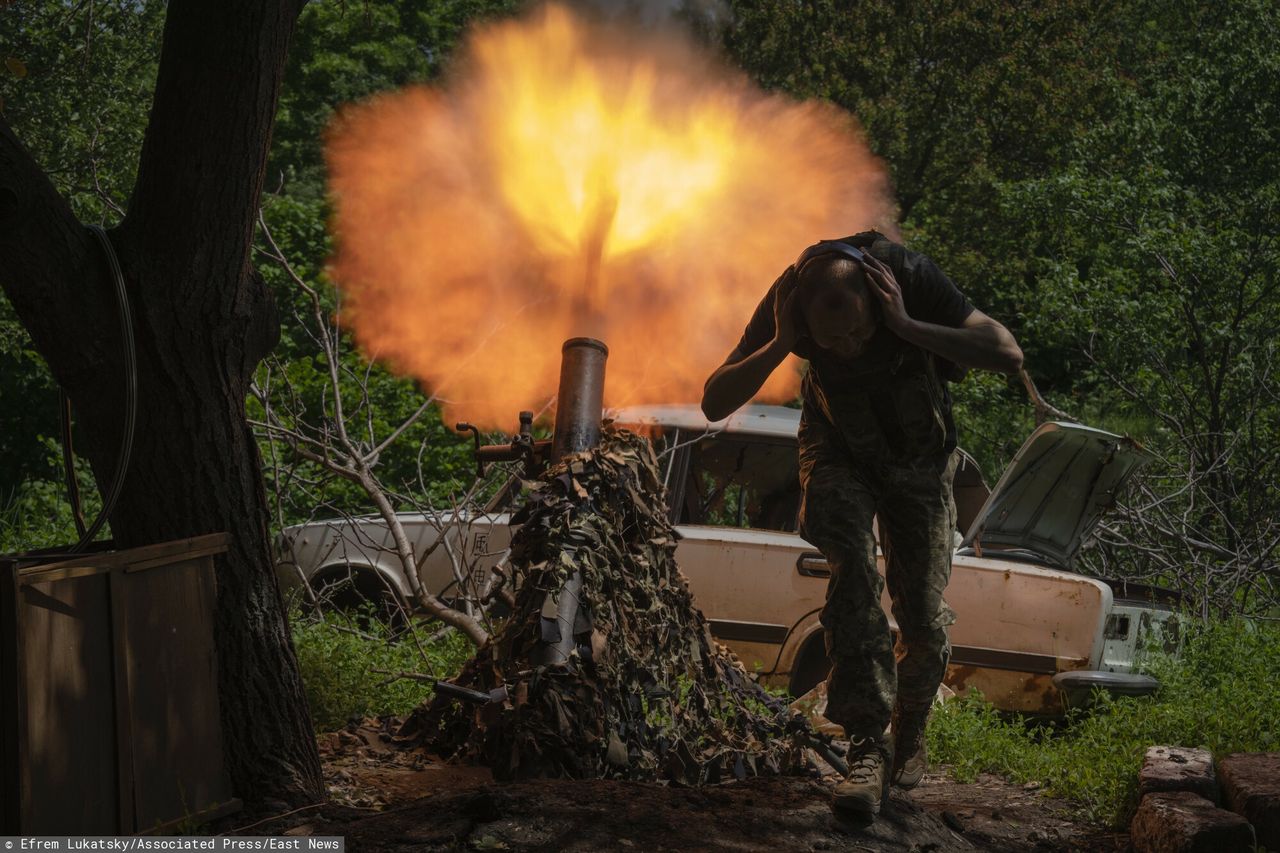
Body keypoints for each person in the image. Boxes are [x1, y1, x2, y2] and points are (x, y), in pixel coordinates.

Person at [701, 232, 1023, 818]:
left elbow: (1006, 352)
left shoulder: (905, 275)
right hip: (837, 452)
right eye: (830, 341)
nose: (846, 347)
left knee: (923, 616)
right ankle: (866, 745)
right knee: (852, 579)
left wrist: (906, 325)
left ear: (874, 298)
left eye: (856, 331)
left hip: (920, 461)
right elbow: (713, 402)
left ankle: (910, 728)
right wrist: (780, 343)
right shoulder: (789, 299)